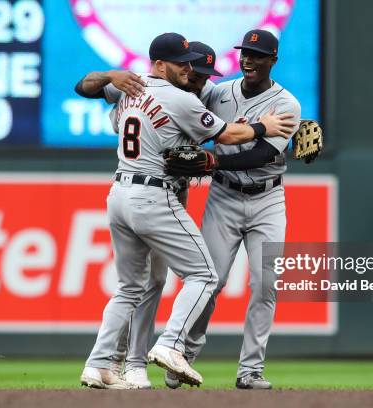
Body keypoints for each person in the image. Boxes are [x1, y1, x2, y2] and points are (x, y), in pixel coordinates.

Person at [74, 32, 296, 389]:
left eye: (197, 70)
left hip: (123, 191)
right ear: (161, 64)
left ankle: (103, 364)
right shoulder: (182, 98)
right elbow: (226, 136)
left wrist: (111, 76)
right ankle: (172, 346)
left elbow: (85, 89)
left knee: (134, 287)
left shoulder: (133, 87)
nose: (192, 74)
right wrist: (262, 128)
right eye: (185, 65)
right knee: (206, 276)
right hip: (157, 194)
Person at [167, 29, 302, 390]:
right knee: (210, 281)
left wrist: (209, 162)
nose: (248, 60)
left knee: (266, 285)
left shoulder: (287, 104)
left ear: (273, 60)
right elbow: (188, 107)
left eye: (257, 55)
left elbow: (263, 154)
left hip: (268, 200)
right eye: (245, 52)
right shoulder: (217, 92)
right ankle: (182, 356)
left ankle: (250, 371)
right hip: (224, 198)